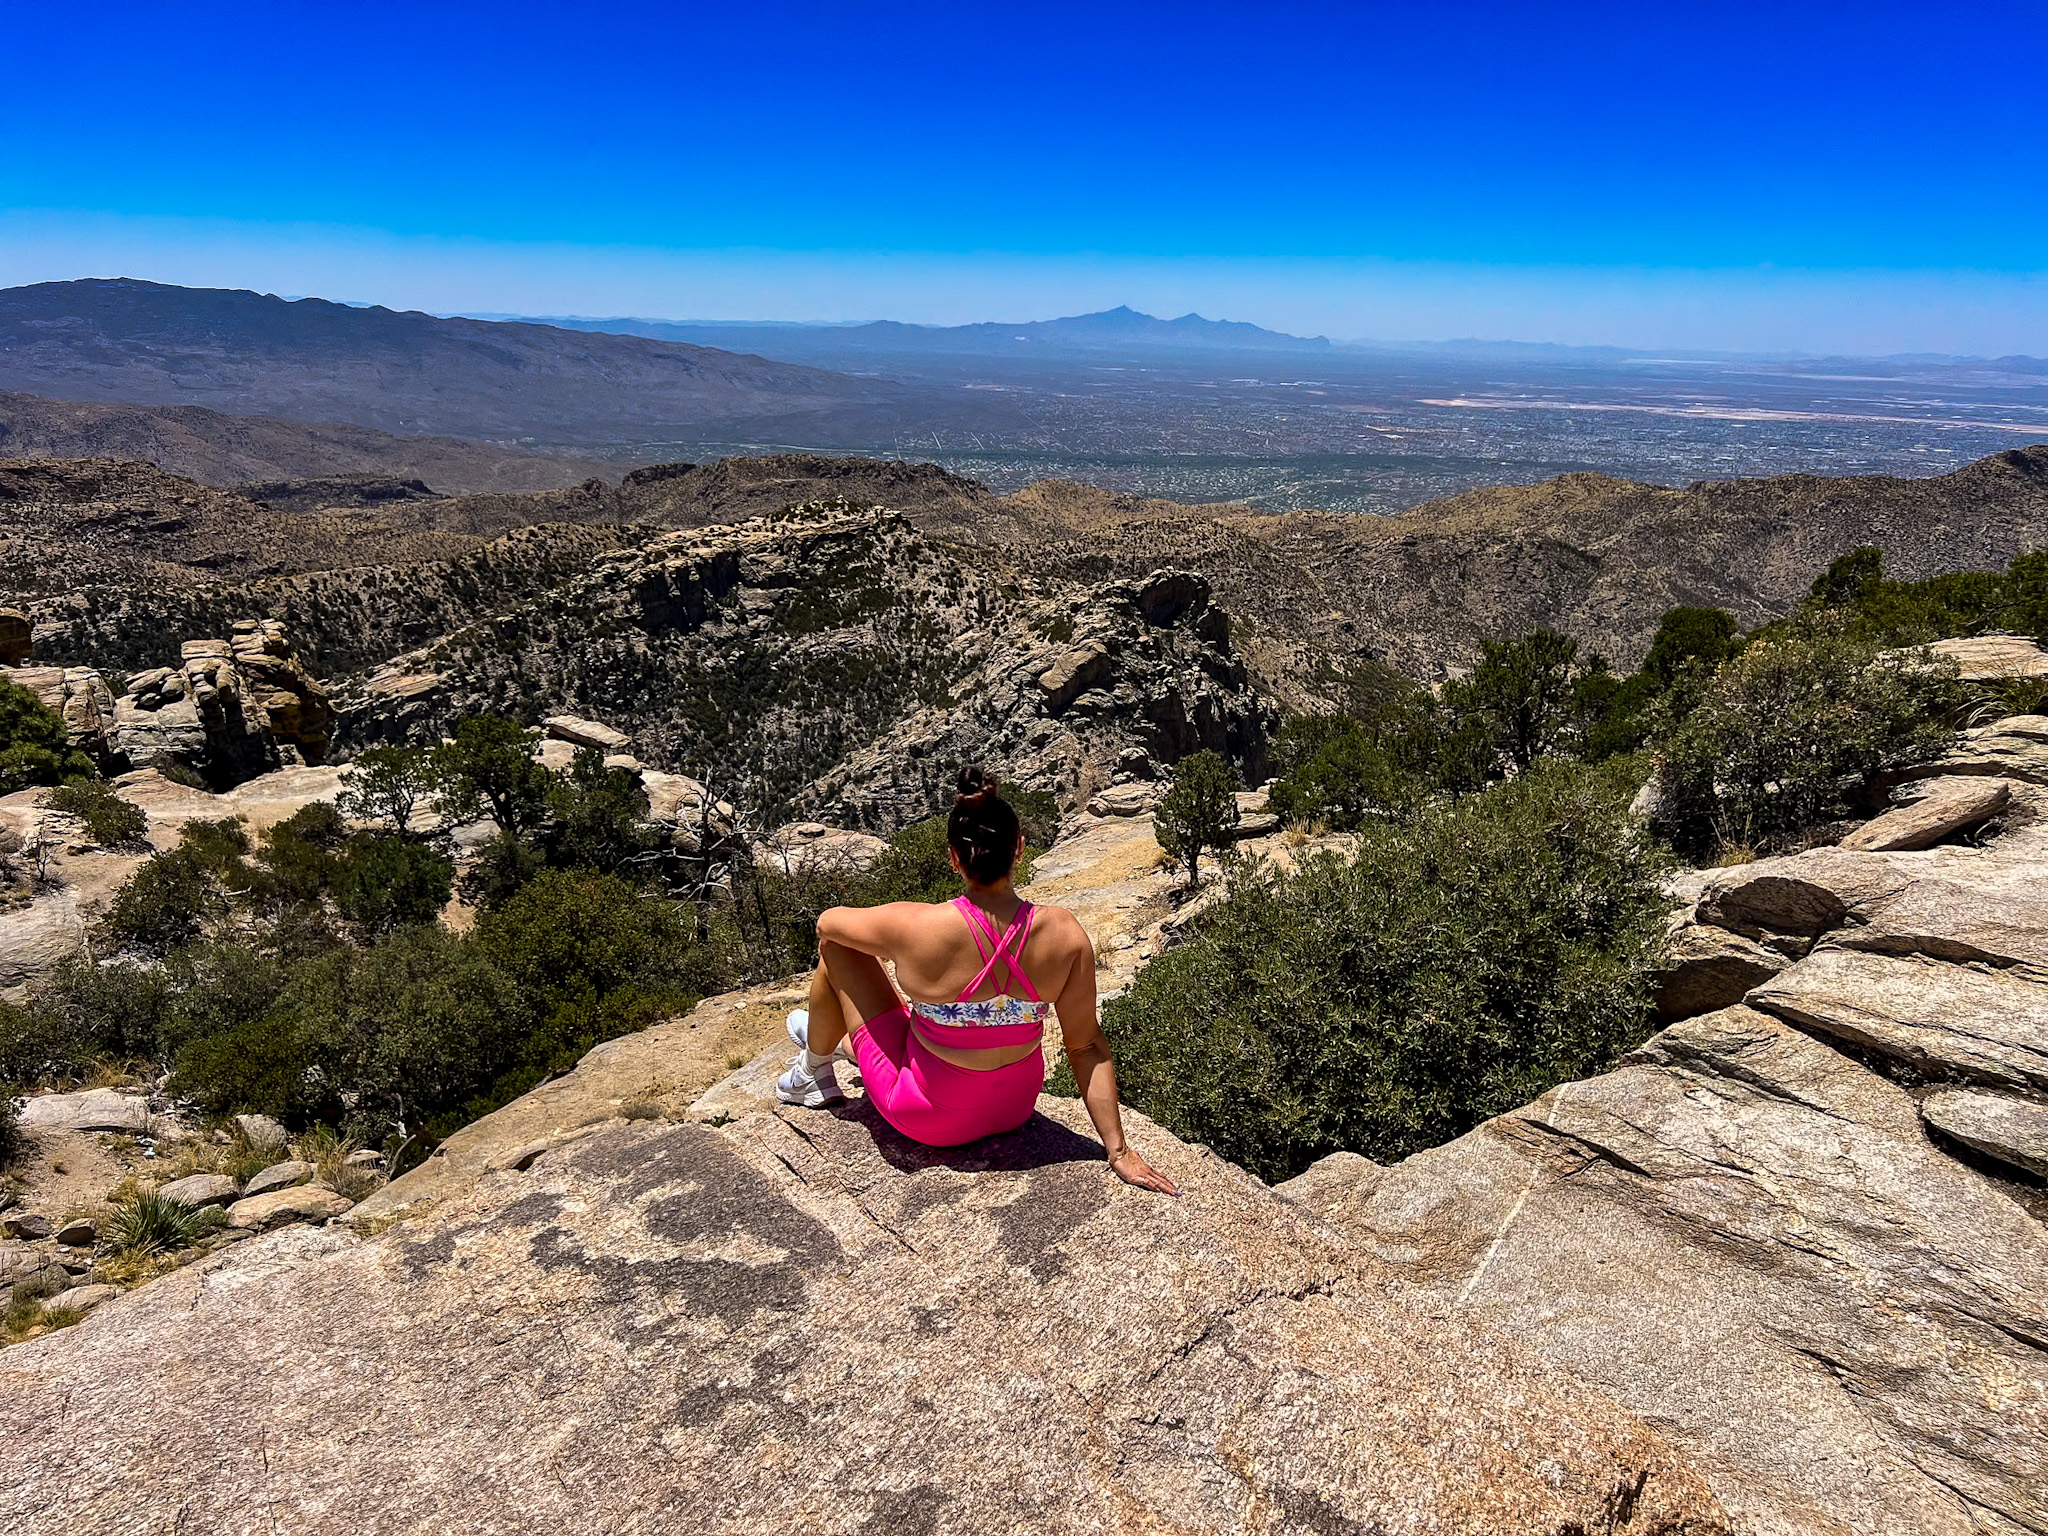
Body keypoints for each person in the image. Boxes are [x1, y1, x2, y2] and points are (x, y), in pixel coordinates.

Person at [776, 766, 1178, 1194]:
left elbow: (827, 924)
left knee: (838, 948)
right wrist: (1118, 1150)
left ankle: (812, 1071)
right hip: (1015, 1109)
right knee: (924, 1026)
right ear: (1019, 847)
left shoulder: (919, 927)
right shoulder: (1064, 934)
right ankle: (829, 1043)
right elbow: (1086, 1047)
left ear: (954, 857)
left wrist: (894, 929)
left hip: (930, 1119)